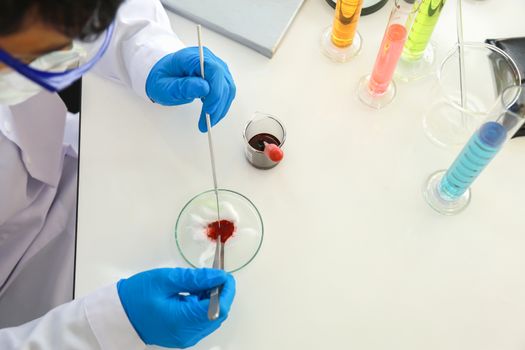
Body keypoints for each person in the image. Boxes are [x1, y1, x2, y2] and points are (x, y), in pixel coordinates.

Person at [0, 0, 236, 348]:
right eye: (40, 55)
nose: (69, 54)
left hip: (59, 169)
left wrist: (147, 51)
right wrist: (104, 328)